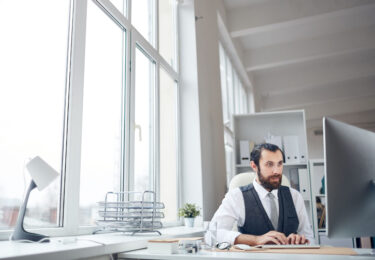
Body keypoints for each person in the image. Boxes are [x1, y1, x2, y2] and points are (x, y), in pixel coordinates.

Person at [206, 143, 314, 246]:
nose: (276, 171)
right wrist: (255, 240)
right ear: (254, 166)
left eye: (279, 164)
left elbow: (309, 237)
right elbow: (212, 234)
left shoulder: (295, 196)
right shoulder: (237, 196)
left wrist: (302, 240)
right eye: (269, 164)